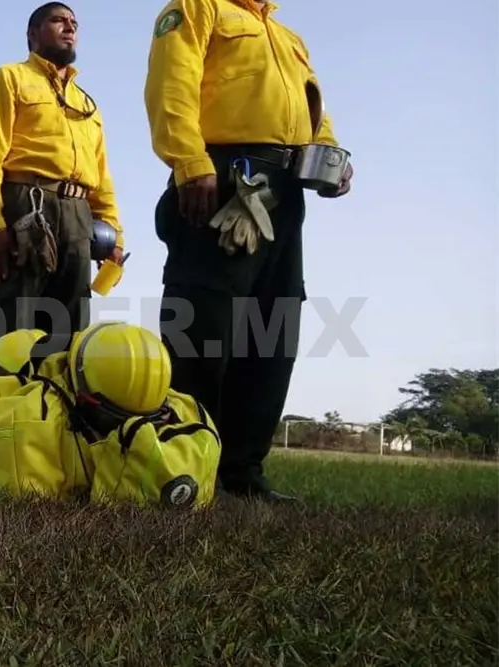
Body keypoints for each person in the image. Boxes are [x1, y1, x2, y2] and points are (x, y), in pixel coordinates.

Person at [143, 0, 353, 502]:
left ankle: (242, 472)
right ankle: (184, 462)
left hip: (287, 189)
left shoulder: (287, 36)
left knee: (274, 328)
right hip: (224, 176)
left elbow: (312, 111)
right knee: (203, 327)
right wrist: (190, 162)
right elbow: (171, 85)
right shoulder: (197, 8)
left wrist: (332, 155)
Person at [0, 2, 124, 349]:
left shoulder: (87, 103)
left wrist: (115, 235)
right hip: (27, 204)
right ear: (32, 34)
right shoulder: (9, 78)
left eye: (74, 22)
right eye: (58, 20)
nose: (69, 27)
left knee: (69, 331)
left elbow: (102, 175)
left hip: (79, 214)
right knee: (13, 326)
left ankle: (54, 402)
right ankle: (8, 398)